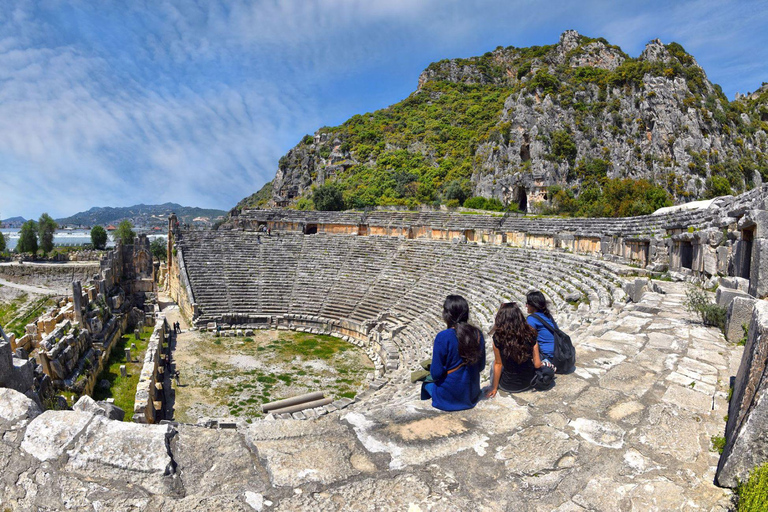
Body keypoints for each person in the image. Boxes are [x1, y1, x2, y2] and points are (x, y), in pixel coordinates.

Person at [421, 295, 486, 411]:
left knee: (426, 385)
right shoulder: (478, 334)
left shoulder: (443, 337)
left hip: (448, 398)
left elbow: (436, 374)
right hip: (471, 395)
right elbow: (480, 367)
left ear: (447, 315)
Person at [486, 302, 551, 396]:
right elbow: (537, 364)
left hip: (507, 385)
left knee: (494, 363)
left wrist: (494, 388)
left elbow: (498, 364)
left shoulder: (498, 337)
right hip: (528, 383)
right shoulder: (530, 334)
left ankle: (493, 385)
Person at [525, 290, 557, 369]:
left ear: (533, 305)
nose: (526, 306)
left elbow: (527, 340)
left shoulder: (531, 319)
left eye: (527, 303)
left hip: (547, 356)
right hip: (556, 352)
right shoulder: (548, 315)